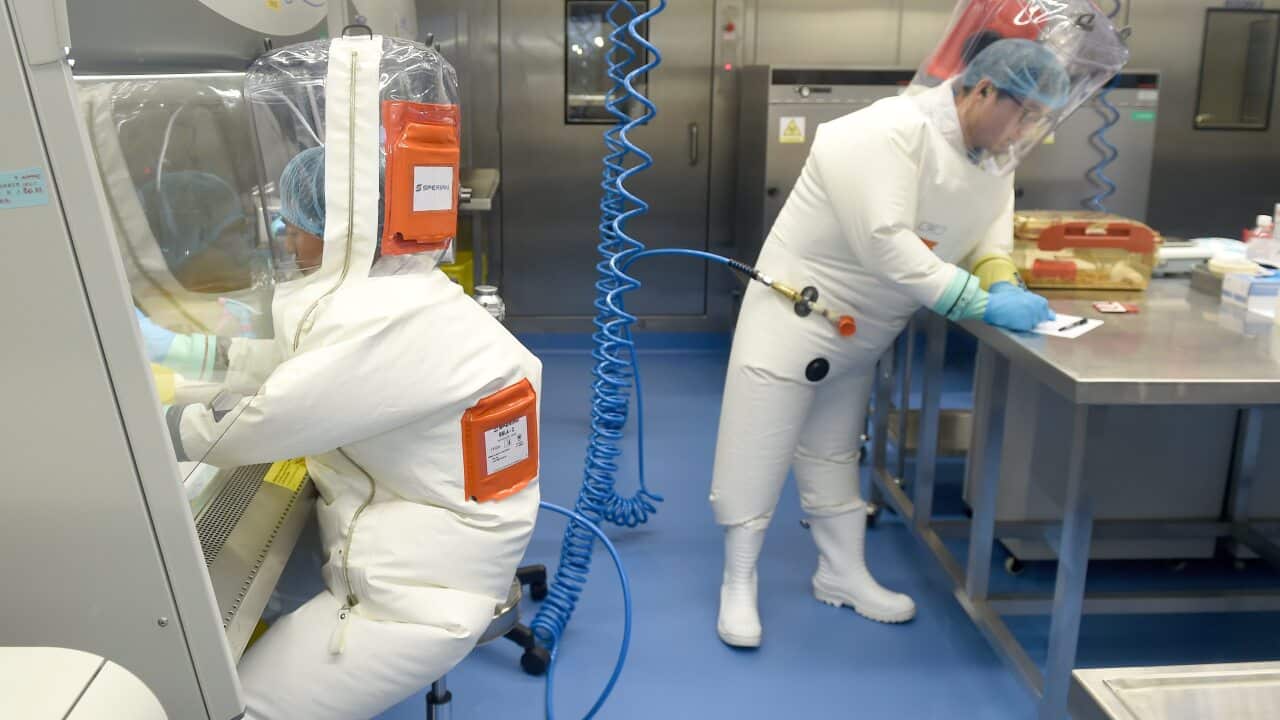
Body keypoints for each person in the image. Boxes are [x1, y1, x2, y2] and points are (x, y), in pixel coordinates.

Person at [164, 34, 542, 718]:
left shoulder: (383, 320)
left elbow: (267, 422)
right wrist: (217, 370)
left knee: (238, 706)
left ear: (347, 230)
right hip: (432, 564)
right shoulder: (406, 293)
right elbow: (316, 374)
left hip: (418, 598)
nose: (285, 234)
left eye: (300, 220)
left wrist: (166, 420)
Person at [711, 38, 1075, 648]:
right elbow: (884, 241)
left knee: (832, 452)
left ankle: (841, 574)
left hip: (865, 332)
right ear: (984, 90)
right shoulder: (880, 132)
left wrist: (1001, 278)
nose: (1026, 131)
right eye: (1026, 113)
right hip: (794, 316)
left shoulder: (991, 159)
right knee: (758, 447)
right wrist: (977, 303)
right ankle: (738, 583)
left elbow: (988, 239)